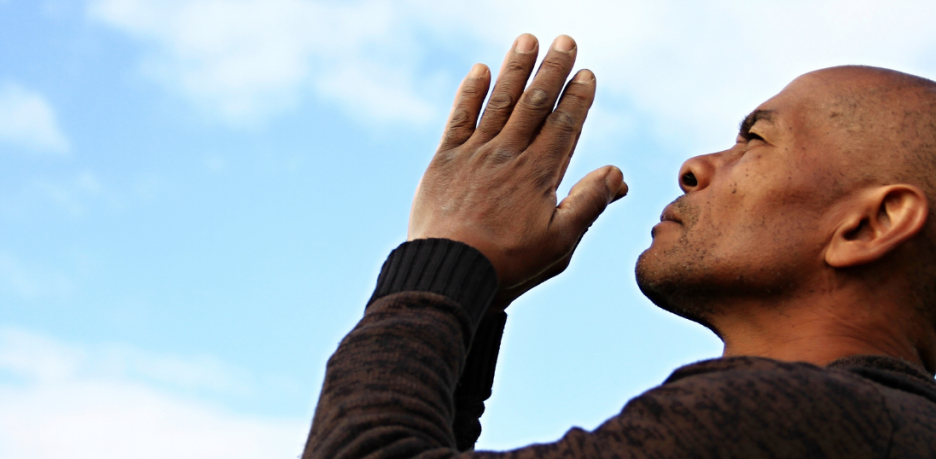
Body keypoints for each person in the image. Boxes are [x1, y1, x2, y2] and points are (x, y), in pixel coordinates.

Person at [302, 34, 936, 458]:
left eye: (757, 142)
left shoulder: (781, 417)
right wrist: (473, 293)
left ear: (869, 225)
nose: (695, 166)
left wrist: (444, 252)